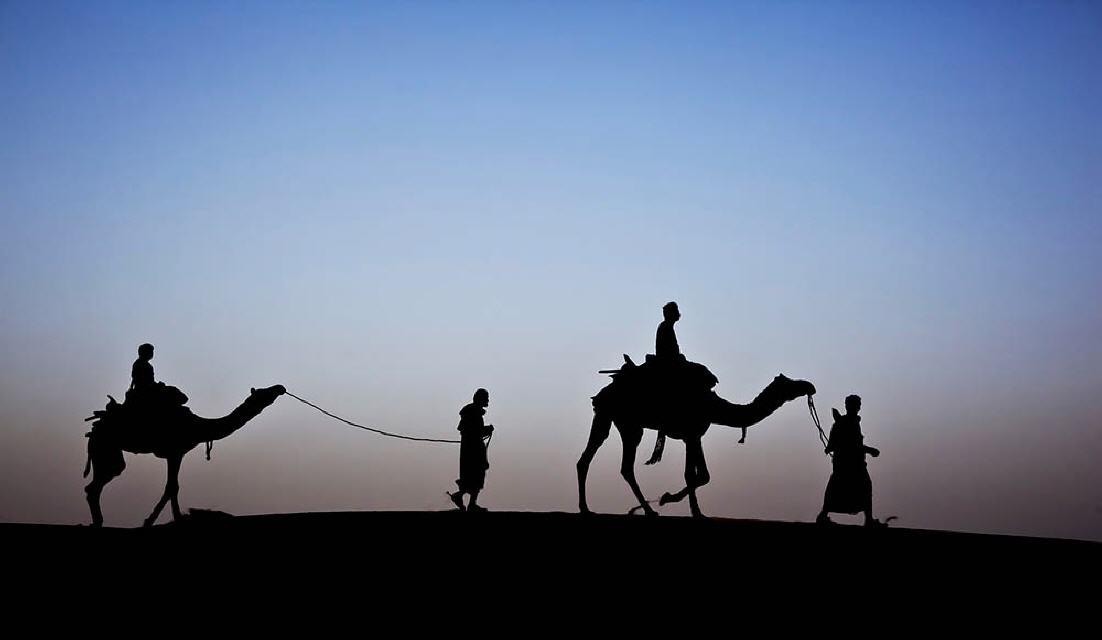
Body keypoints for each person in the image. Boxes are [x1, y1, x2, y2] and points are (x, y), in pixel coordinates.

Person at [816, 394, 883, 527]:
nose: (858, 407)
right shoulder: (846, 423)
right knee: (863, 487)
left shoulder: (844, 422)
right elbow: (853, 445)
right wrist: (870, 450)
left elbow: (832, 445)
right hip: (850, 464)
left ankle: (824, 515)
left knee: (840, 489)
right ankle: (868, 520)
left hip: (847, 463)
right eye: (857, 404)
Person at [448, 388, 494, 512]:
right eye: (486, 398)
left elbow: (469, 430)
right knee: (476, 476)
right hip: (473, 450)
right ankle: (469, 502)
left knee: (473, 476)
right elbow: (475, 432)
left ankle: (463, 499)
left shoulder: (472, 412)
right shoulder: (474, 413)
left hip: (471, 449)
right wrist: (487, 430)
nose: (488, 401)